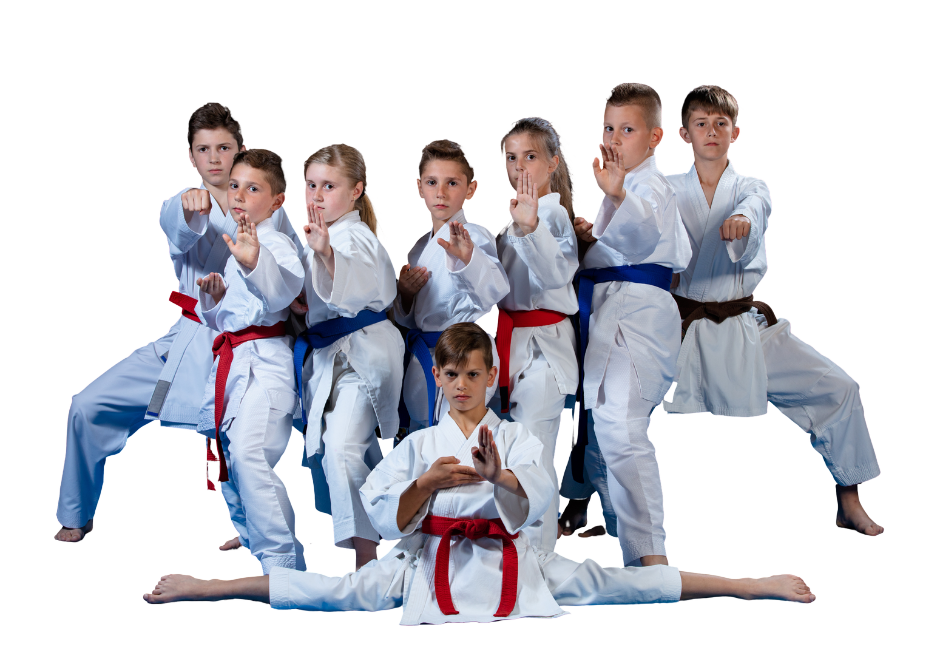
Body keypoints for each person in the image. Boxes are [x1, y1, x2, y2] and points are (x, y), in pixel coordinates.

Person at [143, 323, 816, 621]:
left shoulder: (516, 434)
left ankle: (748, 583)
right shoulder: (421, 445)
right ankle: (211, 586)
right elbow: (387, 511)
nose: (462, 384)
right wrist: (427, 486)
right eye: (451, 373)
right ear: (436, 376)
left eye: (474, 372)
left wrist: (501, 481)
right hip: (426, 560)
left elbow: (542, 501)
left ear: (494, 375)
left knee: (621, 583)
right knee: (332, 593)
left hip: (515, 562)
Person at [54, 103, 302, 543]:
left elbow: (293, 275)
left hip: (259, 345)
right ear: (191, 156)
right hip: (190, 341)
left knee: (270, 439)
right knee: (87, 406)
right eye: (203, 149)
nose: (214, 158)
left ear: (240, 149)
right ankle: (76, 511)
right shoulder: (184, 204)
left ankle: (261, 533)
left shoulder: (270, 207)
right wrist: (192, 210)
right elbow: (179, 226)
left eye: (224, 147)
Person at [664, 84, 881, 535]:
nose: (711, 131)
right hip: (677, 325)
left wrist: (742, 221)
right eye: (700, 123)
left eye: (720, 124)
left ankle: (849, 498)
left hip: (742, 324)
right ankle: (583, 497)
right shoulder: (665, 189)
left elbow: (755, 208)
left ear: (734, 132)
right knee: (612, 405)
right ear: (684, 134)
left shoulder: (750, 188)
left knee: (839, 388)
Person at [566, 83, 691, 567]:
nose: (615, 138)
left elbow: (642, 236)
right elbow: (618, 243)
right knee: (606, 428)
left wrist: (617, 195)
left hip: (638, 314)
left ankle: (651, 557)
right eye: (608, 128)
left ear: (655, 137)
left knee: (622, 427)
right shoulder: (627, 186)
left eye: (628, 129)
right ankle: (630, 544)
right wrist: (590, 238)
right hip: (614, 309)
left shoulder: (649, 186)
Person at [291, 144, 405, 571]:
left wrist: (327, 257)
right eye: (311, 184)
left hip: (364, 353)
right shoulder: (326, 233)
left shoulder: (351, 236)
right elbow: (318, 294)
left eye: (329, 186)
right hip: (331, 356)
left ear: (356, 190)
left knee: (341, 447)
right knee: (347, 449)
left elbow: (353, 279)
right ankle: (399, 515)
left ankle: (365, 559)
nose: (317, 195)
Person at [195, 149, 305, 573]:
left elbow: (283, 294)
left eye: (253, 188)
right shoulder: (238, 244)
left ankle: (283, 562)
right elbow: (228, 319)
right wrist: (217, 296)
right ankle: (252, 534)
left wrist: (255, 260)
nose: (239, 195)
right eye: (235, 185)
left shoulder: (275, 244)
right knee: (226, 452)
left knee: (248, 453)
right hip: (236, 360)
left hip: (266, 365)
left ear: (277, 201)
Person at [493, 117, 579, 550]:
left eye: (530, 156)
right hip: (513, 348)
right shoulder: (514, 219)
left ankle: (539, 558)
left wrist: (530, 228)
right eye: (511, 157)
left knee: (534, 456)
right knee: (516, 456)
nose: (519, 166)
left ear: (552, 164)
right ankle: (518, 553)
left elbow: (555, 274)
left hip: (544, 352)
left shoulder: (552, 214)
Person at [394, 140, 509, 433]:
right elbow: (412, 318)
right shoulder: (419, 248)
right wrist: (405, 294)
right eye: (432, 182)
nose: (441, 193)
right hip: (424, 356)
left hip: (463, 353)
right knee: (426, 437)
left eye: (452, 183)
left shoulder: (473, 237)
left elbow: (493, 292)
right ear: (420, 187)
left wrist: (467, 259)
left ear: (470, 189)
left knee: (460, 439)